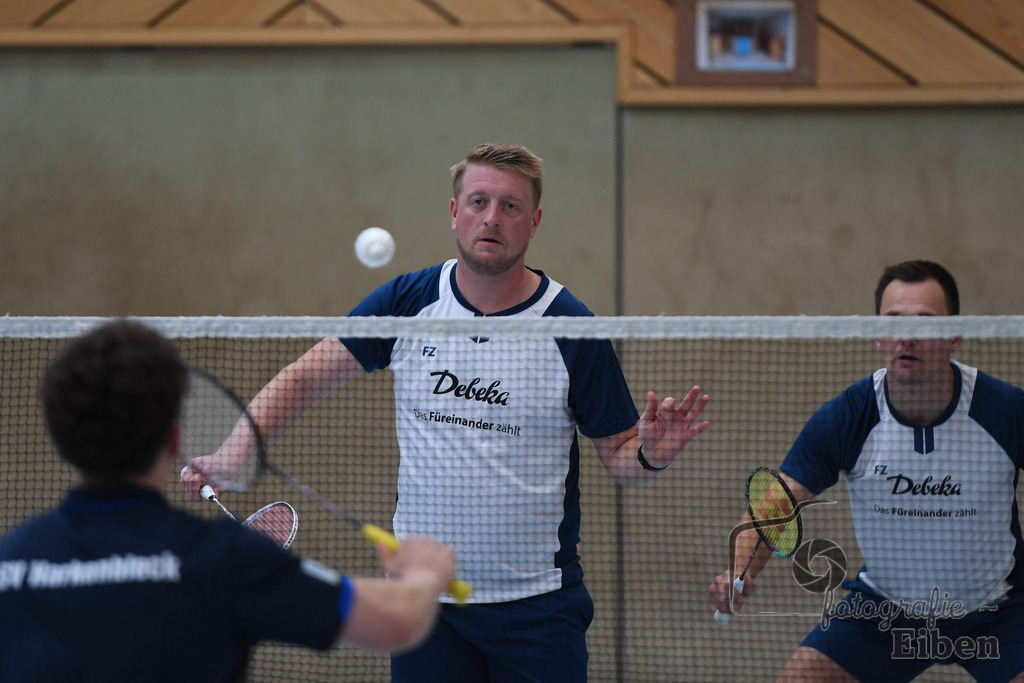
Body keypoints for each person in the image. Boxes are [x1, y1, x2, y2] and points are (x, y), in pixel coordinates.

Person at [182, 141, 711, 682]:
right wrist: (235, 452)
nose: (492, 218)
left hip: (537, 609)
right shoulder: (407, 302)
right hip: (425, 606)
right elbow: (303, 378)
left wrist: (649, 454)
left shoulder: (572, 327)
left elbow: (620, 456)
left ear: (534, 222)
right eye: (478, 201)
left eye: (510, 206)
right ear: (455, 213)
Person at [0, 320, 457, 683]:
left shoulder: (10, 562)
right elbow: (397, 623)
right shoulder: (225, 558)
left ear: (60, 439)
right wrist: (422, 575)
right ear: (174, 438)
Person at [708, 260, 1024, 682]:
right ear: (877, 334)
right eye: (892, 321)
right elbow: (775, 504)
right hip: (884, 613)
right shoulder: (849, 417)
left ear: (955, 334)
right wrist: (738, 568)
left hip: (1000, 613)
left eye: (925, 324)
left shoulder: (1005, 411)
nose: (907, 337)